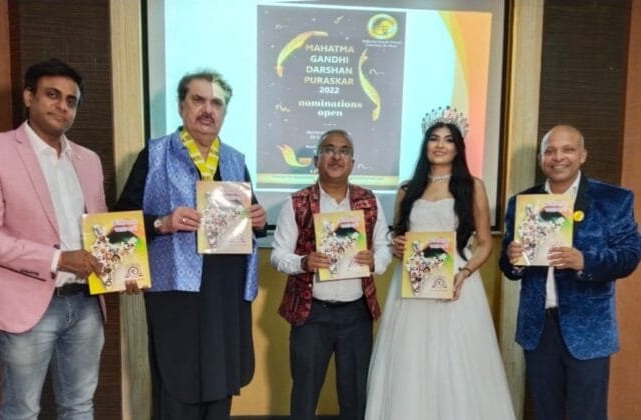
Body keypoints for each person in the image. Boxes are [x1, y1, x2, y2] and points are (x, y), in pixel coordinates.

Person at [0, 59, 107, 419]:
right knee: (21, 411)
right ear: (29, 97)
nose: (62, 106)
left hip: (86, 303)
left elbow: (100, 230)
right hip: (24, 304)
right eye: (52, 95)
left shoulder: (88, 160)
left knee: (80, 407)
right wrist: (58, 259)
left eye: (71, 100)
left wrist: (122, 271)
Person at [114, 70, 266, 420]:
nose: (208, 110)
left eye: (217, 103)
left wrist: (257, 220)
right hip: (176, 292)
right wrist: (162, 223)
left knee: (220, 381)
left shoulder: (235, 160)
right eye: (198, 100)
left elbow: (250, 221)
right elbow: (120, 219)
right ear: (182, 106)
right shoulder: (155, 155)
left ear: (225, 112)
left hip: (226, 291)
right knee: (177, 383)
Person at [365, 107, 515, 419]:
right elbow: (399, 238)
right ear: (425, 144)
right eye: (434, 138)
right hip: (414, 284)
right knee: (412, 358)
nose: (440, 145)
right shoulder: (407, 189)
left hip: (457, 282)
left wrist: (465, 272)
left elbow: (485, 242)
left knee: (456, 358)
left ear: (458, 147)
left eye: (448, 140)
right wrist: (397, 245)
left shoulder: (473, 186)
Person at [499, 125, 641, 420]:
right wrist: (514, 260)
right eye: (550, 151)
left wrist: (585, 261)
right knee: (545, 412)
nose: (558, 157)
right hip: (538, 329)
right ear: (541, 158)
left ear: (583, 155)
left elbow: (629, 256)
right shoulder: (522, 203)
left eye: (568, 150)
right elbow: (509, 266)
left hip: (589, 331)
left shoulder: (613, 200)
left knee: (588, 414)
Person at [271, 129, 392, 420]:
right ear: (316, 160)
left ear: (353, 163)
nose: (337, 156)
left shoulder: (369, 201)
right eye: (329, 149)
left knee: (356, 395)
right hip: (312, 313)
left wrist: (375, 261)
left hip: (357, 314)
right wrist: (303, 262)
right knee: (305, 394)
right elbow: (277, 255)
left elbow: (385, 247)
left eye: (344, 151)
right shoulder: (296, 202)